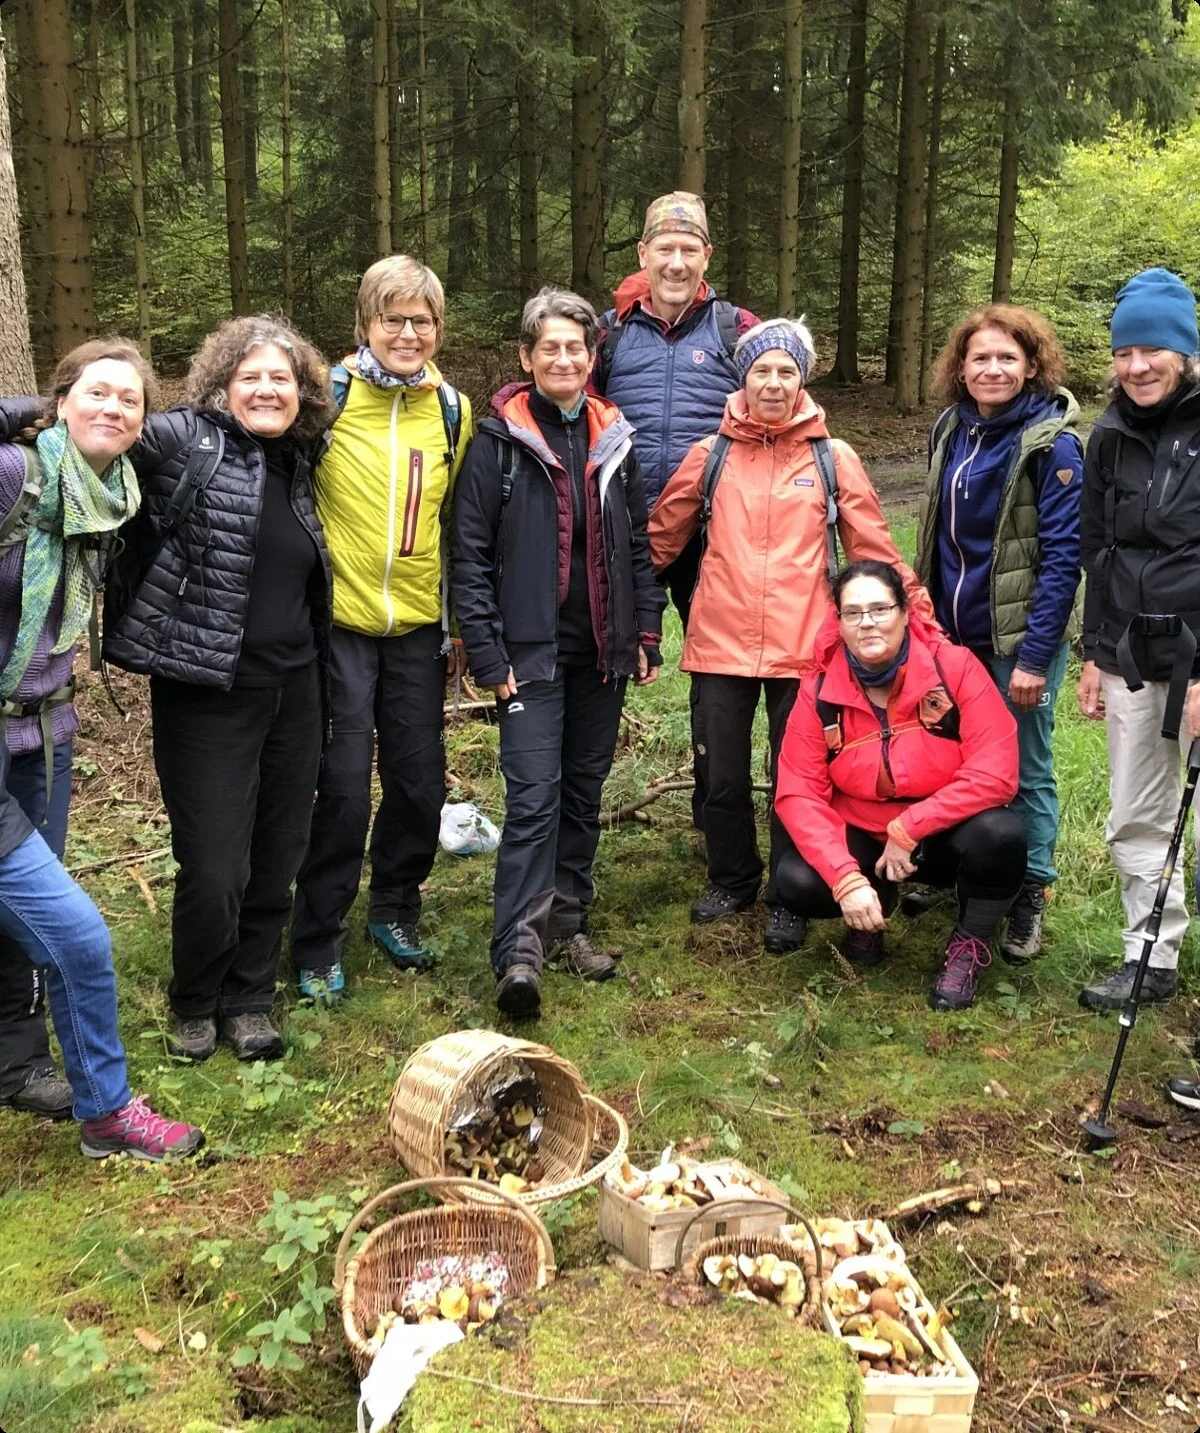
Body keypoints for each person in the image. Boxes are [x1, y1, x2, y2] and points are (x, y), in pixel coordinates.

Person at [649, 319, 935, 954]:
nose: (773, 383)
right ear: (743, 380)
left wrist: (918, 615)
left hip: (806, 649)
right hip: (719, 644)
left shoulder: (833, 458)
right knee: (719, 775)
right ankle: (731, 879)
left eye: (785, 372)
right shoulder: (711, 455)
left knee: (798, 780)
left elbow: (873, 550)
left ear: (801, 379)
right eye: (761, 372)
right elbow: (660, 543)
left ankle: (788, 892)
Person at [102, 316, 335, 1061]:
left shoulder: (301, 460)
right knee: (214, 863)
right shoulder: (181, 443)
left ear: (302, 393)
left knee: (278, 850)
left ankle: (249, 998)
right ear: (220, 383)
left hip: (295, 689)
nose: (268, 389)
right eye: (252, 376)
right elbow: (94, 429)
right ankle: (195, 999)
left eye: (282, 378)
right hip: (206, 691)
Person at [0, 339, 203, 1159]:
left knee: (18, 929)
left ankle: (16, 1064)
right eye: (98, 392)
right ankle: (107, 1111)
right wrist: (14, 413)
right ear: (61, 400)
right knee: (78, 935)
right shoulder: (17, 475)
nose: (115, 408)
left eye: (132, 400)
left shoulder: (111, 494)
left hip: (43, 734)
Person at [452, 287, 664, 1018]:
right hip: (528, 657)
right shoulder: (497, 444)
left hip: (601, 654)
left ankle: (569, 922)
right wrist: (487, 652)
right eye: (551, 347)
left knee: (581, 793)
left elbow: (638, 543)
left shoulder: (615, 438)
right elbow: (470, 557)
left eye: (577, 346)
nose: (566, 358)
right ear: (527, 356)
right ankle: (519, 947)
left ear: (592, 355)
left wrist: (645, 631)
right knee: (534, 799)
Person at [289, 256, 473, 998]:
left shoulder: (452, 409)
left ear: (436, 328)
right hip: (340, 625)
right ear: (364, 323)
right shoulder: (326, 399)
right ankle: (317, 936)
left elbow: (455, 521)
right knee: (338, 786)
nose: (407, 332)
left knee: (420, 781)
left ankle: (395, 906)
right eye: (392, 318)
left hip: (417, 628)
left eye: (421, 320)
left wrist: (459, 625)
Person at [775, 561, 1025, 1011]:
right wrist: (845, 878)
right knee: (796, 881)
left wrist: (909, 827)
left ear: (906, 612)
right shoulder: (818, 690)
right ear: (838, 621)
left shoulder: (956, 669)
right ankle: (871, 908)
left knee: (1002, 836)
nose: (867, 622)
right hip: (865, 832)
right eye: (852, 613)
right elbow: (798, 793)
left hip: (946, 832)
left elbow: (997, 771)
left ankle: (968, 945)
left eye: (879, 608)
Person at [915, 305, 1083, 963]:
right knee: (955, 756)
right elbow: (934, 536)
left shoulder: (1053, 443)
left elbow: (1064, 558)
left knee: (1024, 768)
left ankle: (1028, 895)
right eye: (980, 357)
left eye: (1007, 358)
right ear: (961, 365)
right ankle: (963, 868)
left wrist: (1036, 656)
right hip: (952, 638)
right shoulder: (951, 429)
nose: (992, 368)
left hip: (1017, 643)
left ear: (1032, 365)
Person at [593, 191, 757, 831]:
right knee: (605, 660)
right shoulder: (606, 335)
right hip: (621, 530)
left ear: (706, 255)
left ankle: (711, 815)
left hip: (708, 534)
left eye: (690, 250)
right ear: (644, 253)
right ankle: (580, 803)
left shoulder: (735, 330)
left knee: (716, 678)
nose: (677, 262)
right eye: (665, 248)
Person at [1077, 267, 1200, 1015]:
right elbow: (1099, 550)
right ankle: (1149, 952)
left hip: (1198, 655)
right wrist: (1095, 652)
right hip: (1131, 656)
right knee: (1137, 812)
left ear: (1184, 352)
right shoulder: (1108, 434)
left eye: (1153, 349)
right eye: (1125, 352)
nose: (1137, 366)